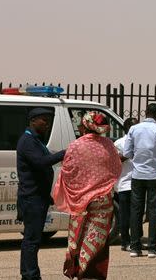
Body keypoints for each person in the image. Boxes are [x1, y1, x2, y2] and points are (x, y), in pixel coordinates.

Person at [52, 111, 122, 280]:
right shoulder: (109, 145)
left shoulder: (76, 145)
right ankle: (93, 273)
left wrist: (80, 188)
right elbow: (116, 169)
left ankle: (78, 271)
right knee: (98, 240)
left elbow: (67, 170)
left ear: (85, 125)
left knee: (79, 236)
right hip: (103, 201)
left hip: (80, 201)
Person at [16, 107, 66, 280]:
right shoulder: (28, 141)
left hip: (38, 196)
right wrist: (65, 153)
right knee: (32, 240)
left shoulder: (36, 140)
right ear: (33, 121)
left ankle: (28, 274)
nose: (46, 124)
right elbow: (41, 162)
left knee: (32, 239)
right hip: (32, 198)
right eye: (43, 120)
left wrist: (47, 195)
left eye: (48, 120)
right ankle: (30, 275)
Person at [123, 103, 156, 258]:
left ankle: (135, 247)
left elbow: (127, 152)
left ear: (146, 113)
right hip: (154, 175)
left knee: (136, 211)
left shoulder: (133, 129)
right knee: (153, 211)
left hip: (137, 175)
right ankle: (152, 248)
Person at [114, 117, 139, 251]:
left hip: (139, 181)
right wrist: (127, 154)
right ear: (127, 128)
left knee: (137, 213)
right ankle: (125, 241)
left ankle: (136, 239)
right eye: (134, 126)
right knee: (125, 214)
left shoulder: (141, 141)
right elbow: (114, 161)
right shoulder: (119, 143)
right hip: (124, 183)